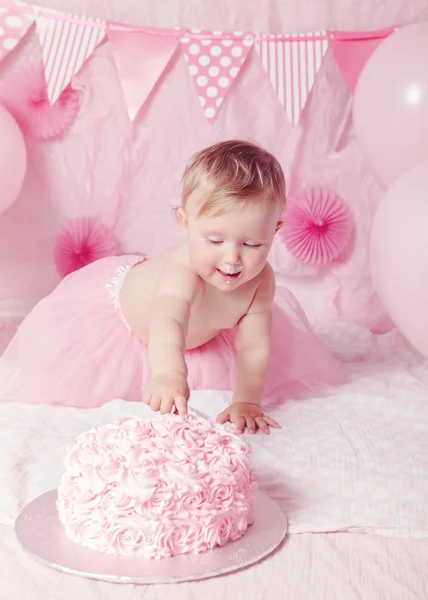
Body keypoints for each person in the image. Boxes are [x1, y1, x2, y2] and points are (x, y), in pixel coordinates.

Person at [0, 140, 347, 434]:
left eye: (252, 244)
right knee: (76, 382)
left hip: (200, 337)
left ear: (274, 230)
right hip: (127, 319)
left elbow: (254, 346)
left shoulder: (260, 282)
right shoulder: (184, 272)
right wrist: (167, 373)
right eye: (214, 239)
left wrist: (247, 401)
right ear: (185, 222)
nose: (232, 259)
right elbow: (168, 322)